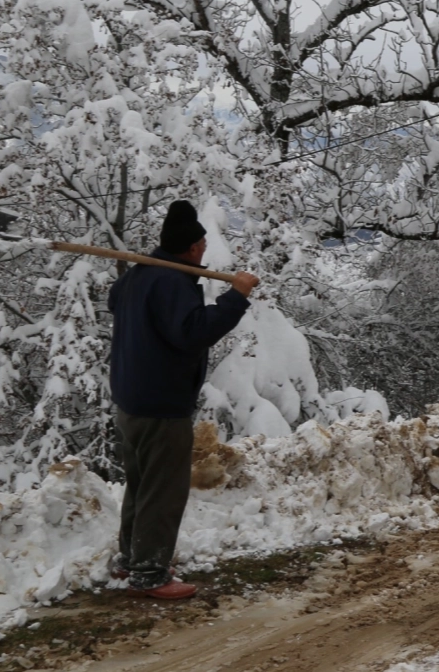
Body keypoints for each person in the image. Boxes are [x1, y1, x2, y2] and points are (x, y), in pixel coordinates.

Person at [107, 200, 260, 600]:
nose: (206, 249)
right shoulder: (171, 282)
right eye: (203, 243)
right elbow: (193, 332)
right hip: (160, 402)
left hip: (130, 399)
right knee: (162, 489)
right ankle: (150, 572)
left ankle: (130, 560)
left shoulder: (139, 276)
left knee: (141, 484)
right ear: (192, 248)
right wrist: (236, 297)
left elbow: (114, 300)